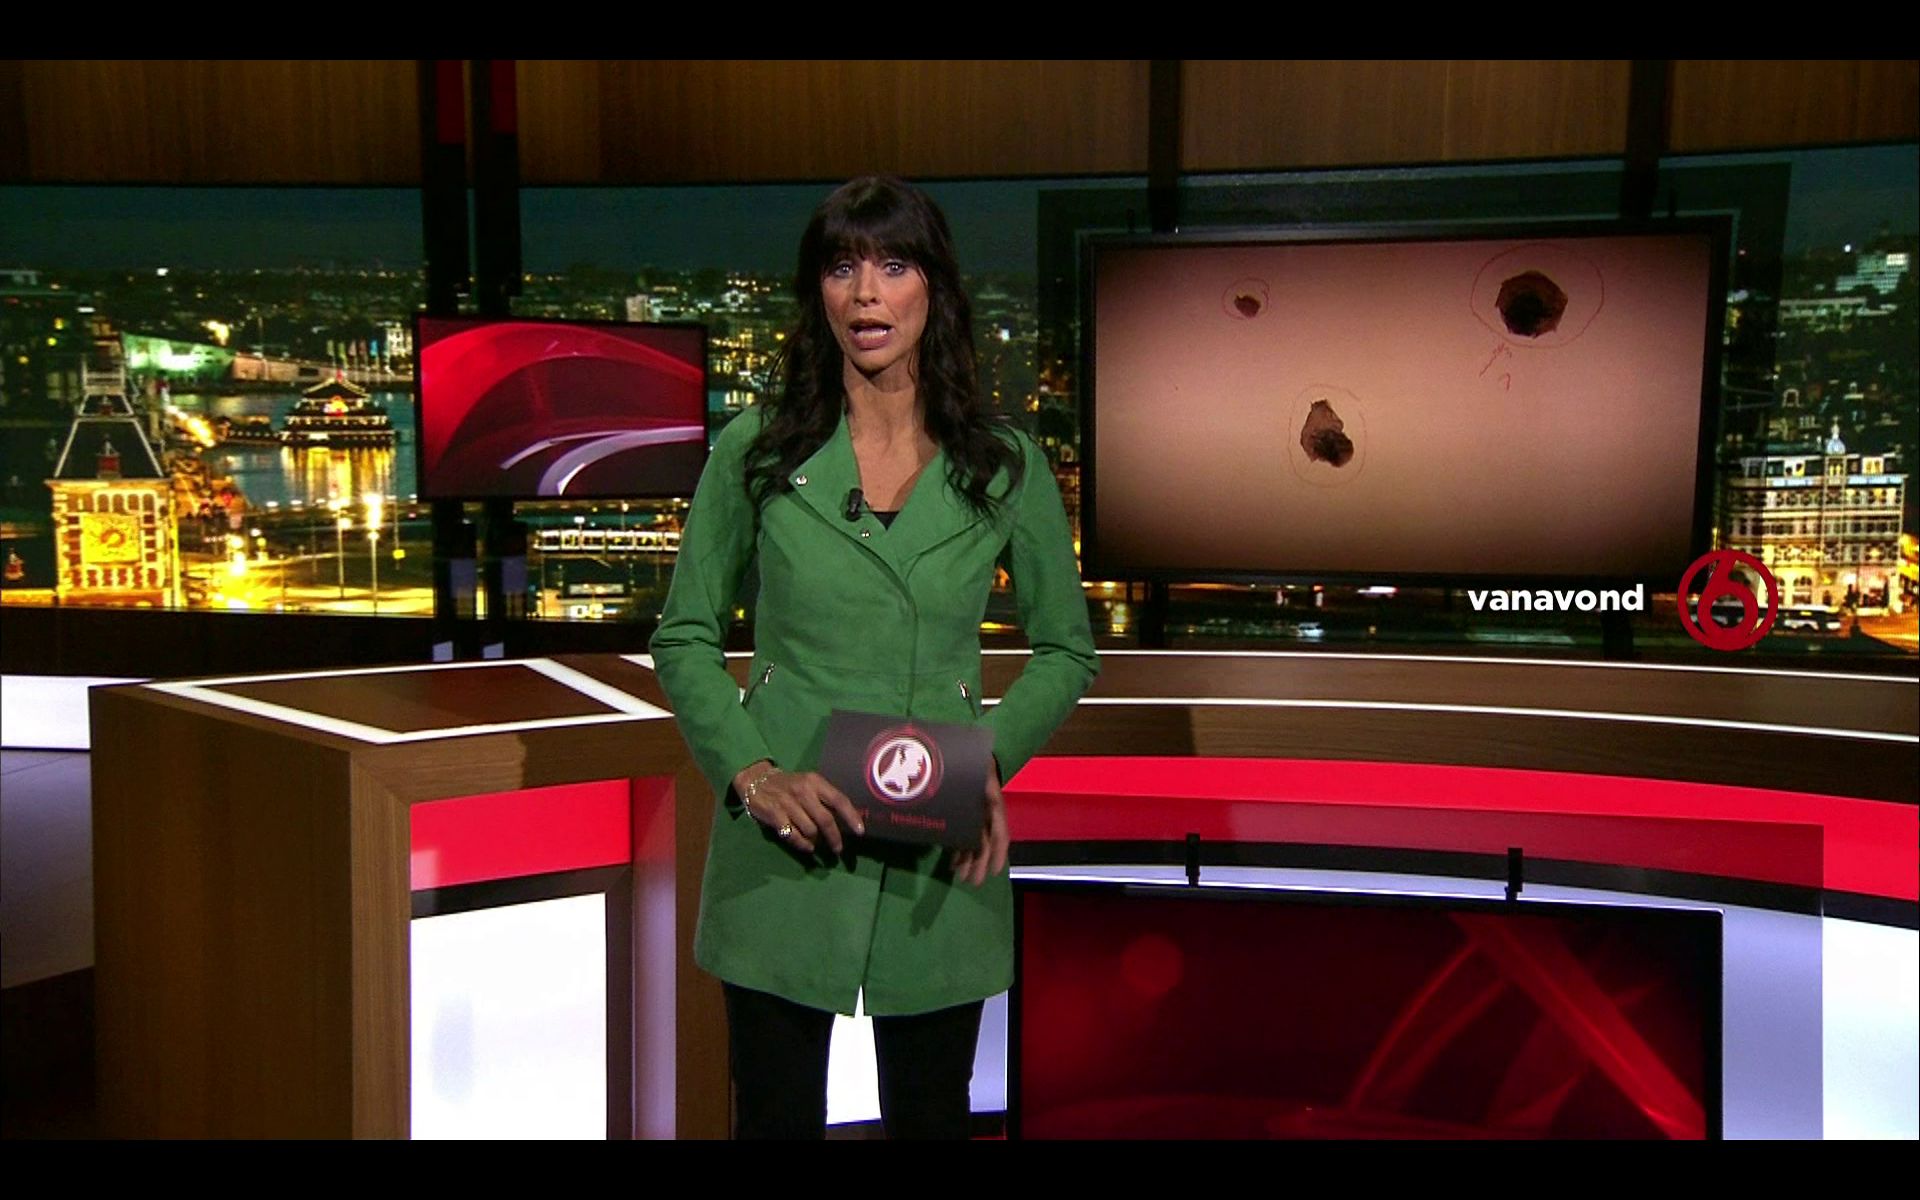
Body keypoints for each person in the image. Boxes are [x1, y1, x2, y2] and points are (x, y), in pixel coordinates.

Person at [647, 176, 1100, 1139]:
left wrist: (982, 768)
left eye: (893, 265)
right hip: (787, 836)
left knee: (932, 1120)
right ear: (816, 290)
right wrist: (751, 775)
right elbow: (683, 635)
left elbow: (1067, 649)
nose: (865, 293)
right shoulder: (757, 451)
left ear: (933, 286)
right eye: (842, 267)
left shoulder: (1004, 465)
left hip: (938, 840)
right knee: (775, 1122)